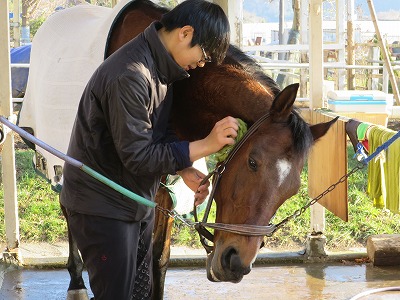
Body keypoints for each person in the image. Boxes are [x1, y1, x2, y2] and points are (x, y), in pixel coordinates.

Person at [59, 0, 239, 299]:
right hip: (103, 209)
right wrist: (206, 145)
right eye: (204, 54)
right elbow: (138, 156)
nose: (202, 64)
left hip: (133, 202)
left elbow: (157, 133)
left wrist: (183, 168)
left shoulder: (161, 68)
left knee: (140, 292)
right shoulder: (131, 74)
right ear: (185, 33)